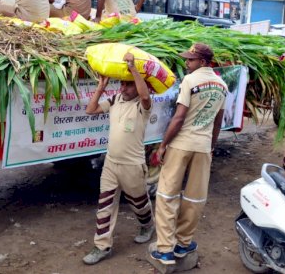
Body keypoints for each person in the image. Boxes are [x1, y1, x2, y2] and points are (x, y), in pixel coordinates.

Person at [150, 43, 227, 266]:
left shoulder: (190, 81)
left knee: (166, 194)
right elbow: (218, 122)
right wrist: (211, 147)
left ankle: (165, 250)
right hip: (202, 147)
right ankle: (183, 244)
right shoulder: (222, 85)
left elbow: (179, 117)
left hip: (181, 144)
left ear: (202, 62)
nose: (186, 63)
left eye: (190, 60)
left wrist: (163, 145)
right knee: (195, 197)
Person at [82, 53, 154, 265]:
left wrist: (133, 68)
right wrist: (101, 88)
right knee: (105, 204)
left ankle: (147, 224)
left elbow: (146, 97)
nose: (123, 88)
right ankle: (102, 245)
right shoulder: (114, 100)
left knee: (139, 203)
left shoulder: (143, 106)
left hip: (133, 165)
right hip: (111, 164)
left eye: (128, 85)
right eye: (122, 84)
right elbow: (90, 110)